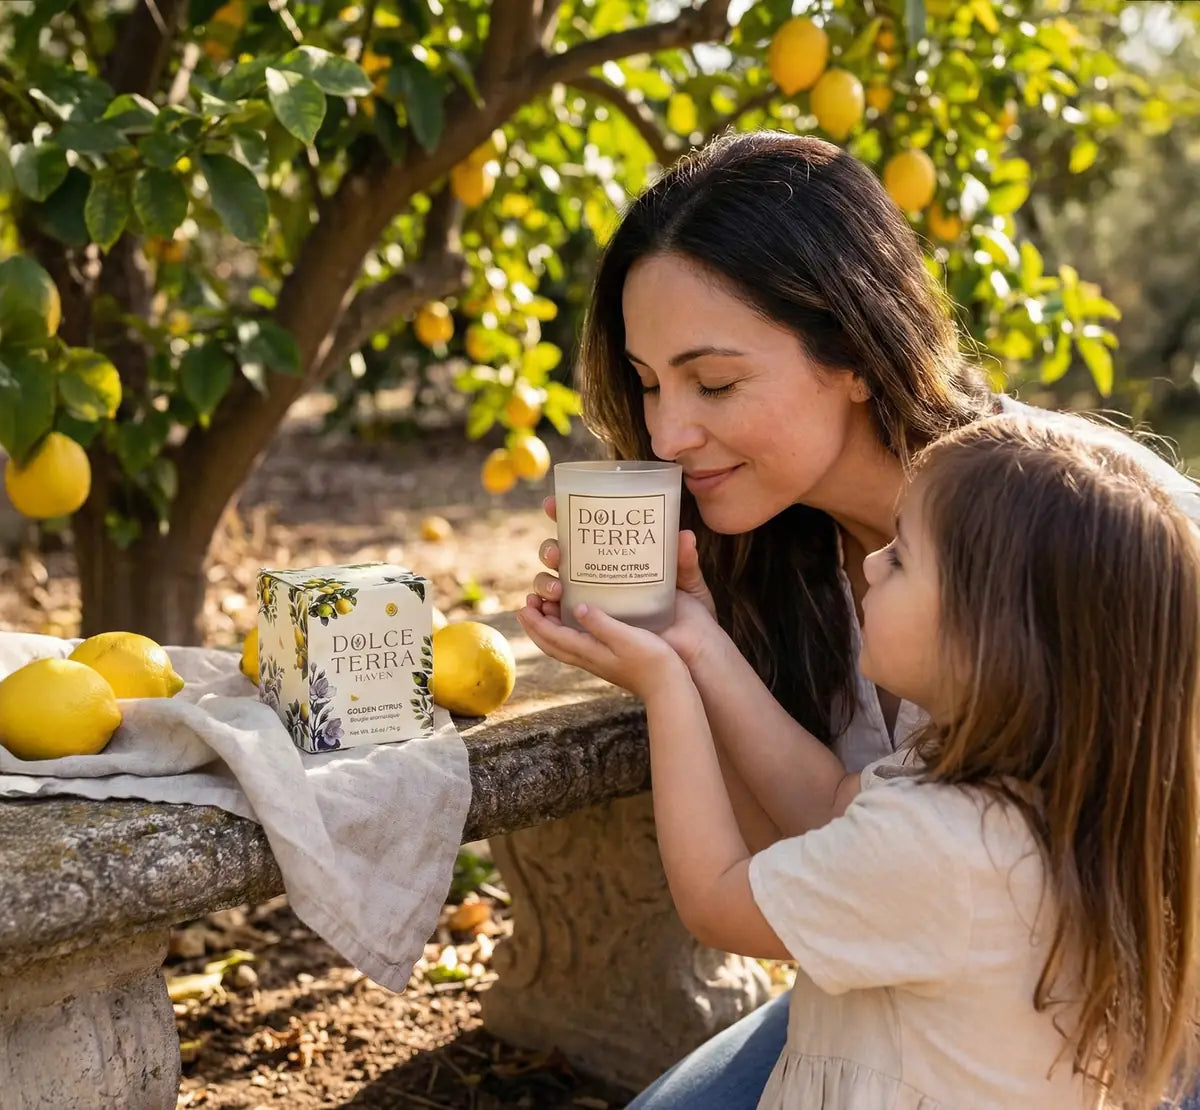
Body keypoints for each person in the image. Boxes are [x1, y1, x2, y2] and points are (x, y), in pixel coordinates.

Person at [522, 131, 1200, 1108]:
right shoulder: (752, 544)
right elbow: (818, 852)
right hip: (892, 1010)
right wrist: (690, 642)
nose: (667, 433)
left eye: (713, 382)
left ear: (853, 352)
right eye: (648, 381)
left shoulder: (1088, 536)